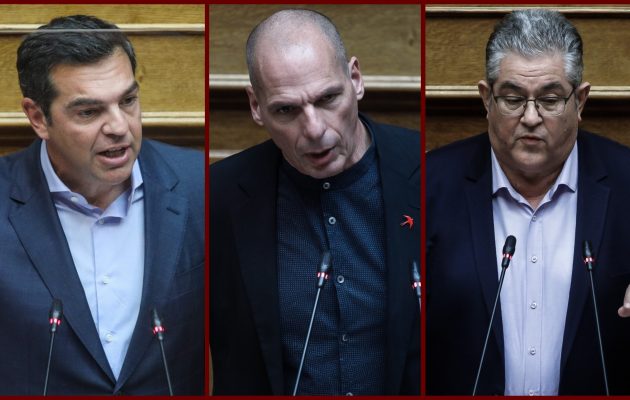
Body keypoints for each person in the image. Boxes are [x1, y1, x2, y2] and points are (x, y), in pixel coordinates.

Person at [210, 9, 420, 395]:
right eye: (286, 110)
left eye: (328, 98)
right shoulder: (218, 196)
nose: (314, 129)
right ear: (256, 106)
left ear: (355, 79)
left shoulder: (426, 170)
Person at [427, 9, 630, 395]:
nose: (531, 117)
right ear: (486, 99)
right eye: (513, 99)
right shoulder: (428, 186)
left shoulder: (626, 181)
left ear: (580, 101)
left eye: (550, 100)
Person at [0, 15, 204, 394]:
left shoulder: (199, 185)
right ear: (38, 118)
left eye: (127, 101)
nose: (119, 127)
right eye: (89, 112)